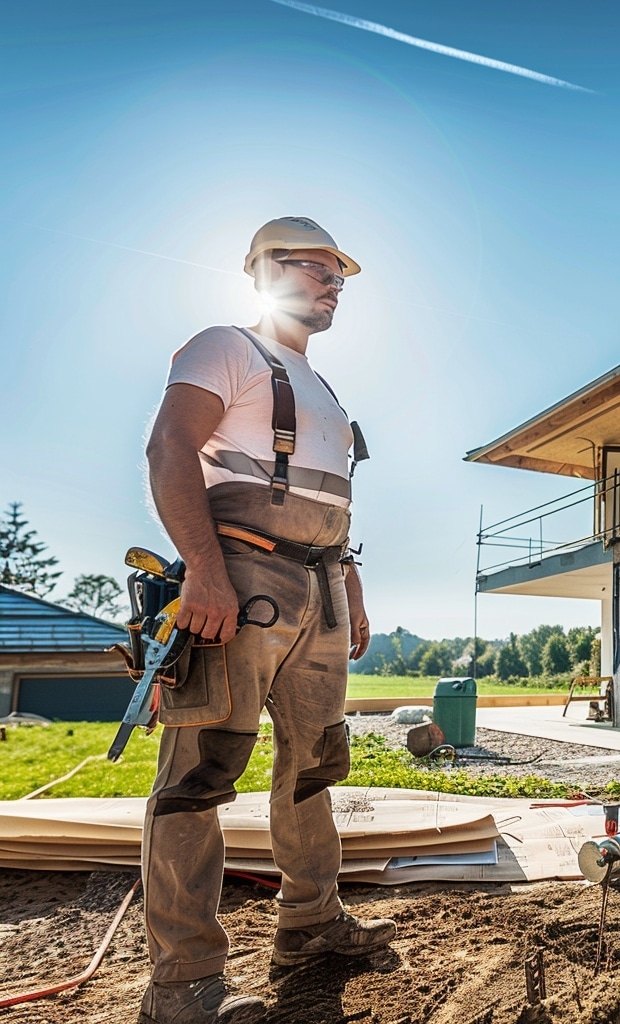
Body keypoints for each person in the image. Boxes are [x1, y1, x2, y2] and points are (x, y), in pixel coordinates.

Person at [138, 217, 396, 1024]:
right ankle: (182, 982)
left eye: (338, 278)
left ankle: (310, 925)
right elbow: (168, 450)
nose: (331, 286)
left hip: (317, 589)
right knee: (199, 775)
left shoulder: (323, 388)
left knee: (315, 765)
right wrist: (206, 574)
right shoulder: (225, 346)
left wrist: (348, 585)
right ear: (263, 270)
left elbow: (326, 498)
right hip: (241, 581)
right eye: (315, 270)